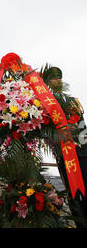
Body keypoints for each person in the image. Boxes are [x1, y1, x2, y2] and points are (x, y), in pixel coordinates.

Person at [42, 65, 87, 228]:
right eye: (54, 78)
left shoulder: (72, 101)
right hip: (64, 153)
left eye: (59, 78)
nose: (58, 81)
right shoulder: (46, 104)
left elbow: (82, 125)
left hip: (82, 152)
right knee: (72, 192)